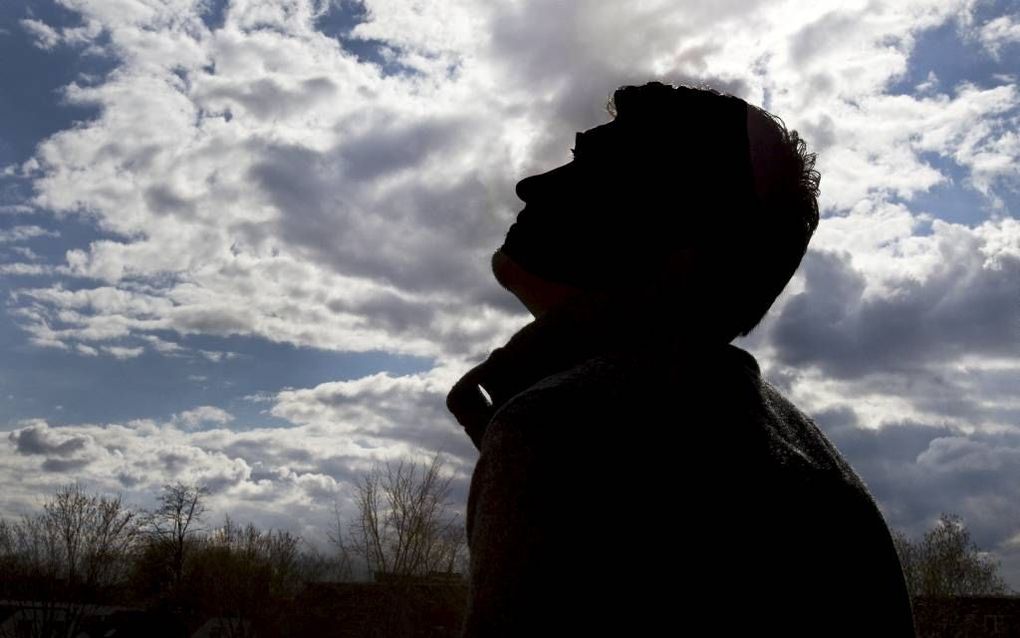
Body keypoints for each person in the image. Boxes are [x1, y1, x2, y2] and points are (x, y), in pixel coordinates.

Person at [446, 82, 916, 636]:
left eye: (592, 172)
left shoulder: (563, 436)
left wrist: (536, 454)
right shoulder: (828, 478)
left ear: (679, 254)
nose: (530, 184)